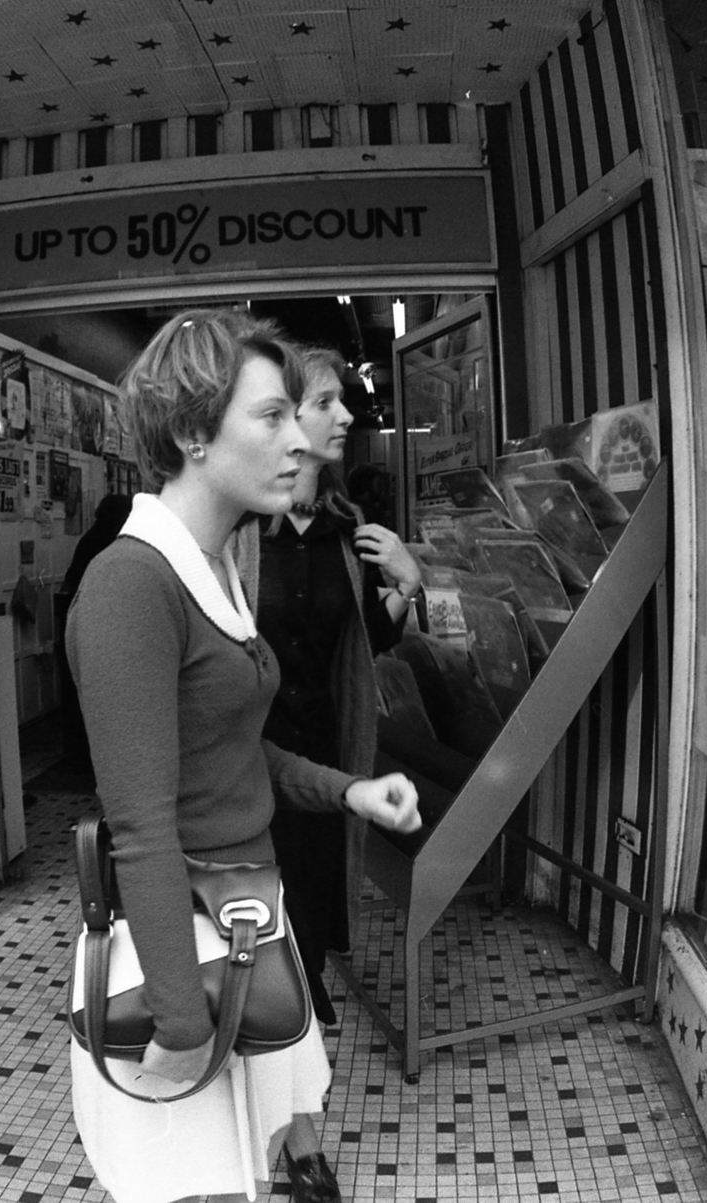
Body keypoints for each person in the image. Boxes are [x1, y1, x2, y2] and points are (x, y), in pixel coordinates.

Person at [65, 308, 422, 1203]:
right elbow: (142, 822)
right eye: (270, 416)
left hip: (245, 918)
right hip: (179, 945)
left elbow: (231, 752)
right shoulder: (131, 584)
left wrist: (350, 792)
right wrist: (184, 1022)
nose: (302, 438)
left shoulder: (217, 564)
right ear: (192, 432)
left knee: (255, 1170)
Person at [237, 347, 421, 1041]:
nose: (347, 414)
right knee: (257, 901)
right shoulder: (242, 531)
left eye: (343, 400)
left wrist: (406, 581)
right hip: (249, 756)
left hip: (326, 752)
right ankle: (271, 1024)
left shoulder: (348, 530)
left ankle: (296, 1012)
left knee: (311, 893)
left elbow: (366, 641)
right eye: (326, 403)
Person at [57, 493, 137, 772]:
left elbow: (70, 584)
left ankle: (80, 760)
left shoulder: (88, 541)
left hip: (83, 630)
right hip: (120, 633)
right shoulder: (126, 545)